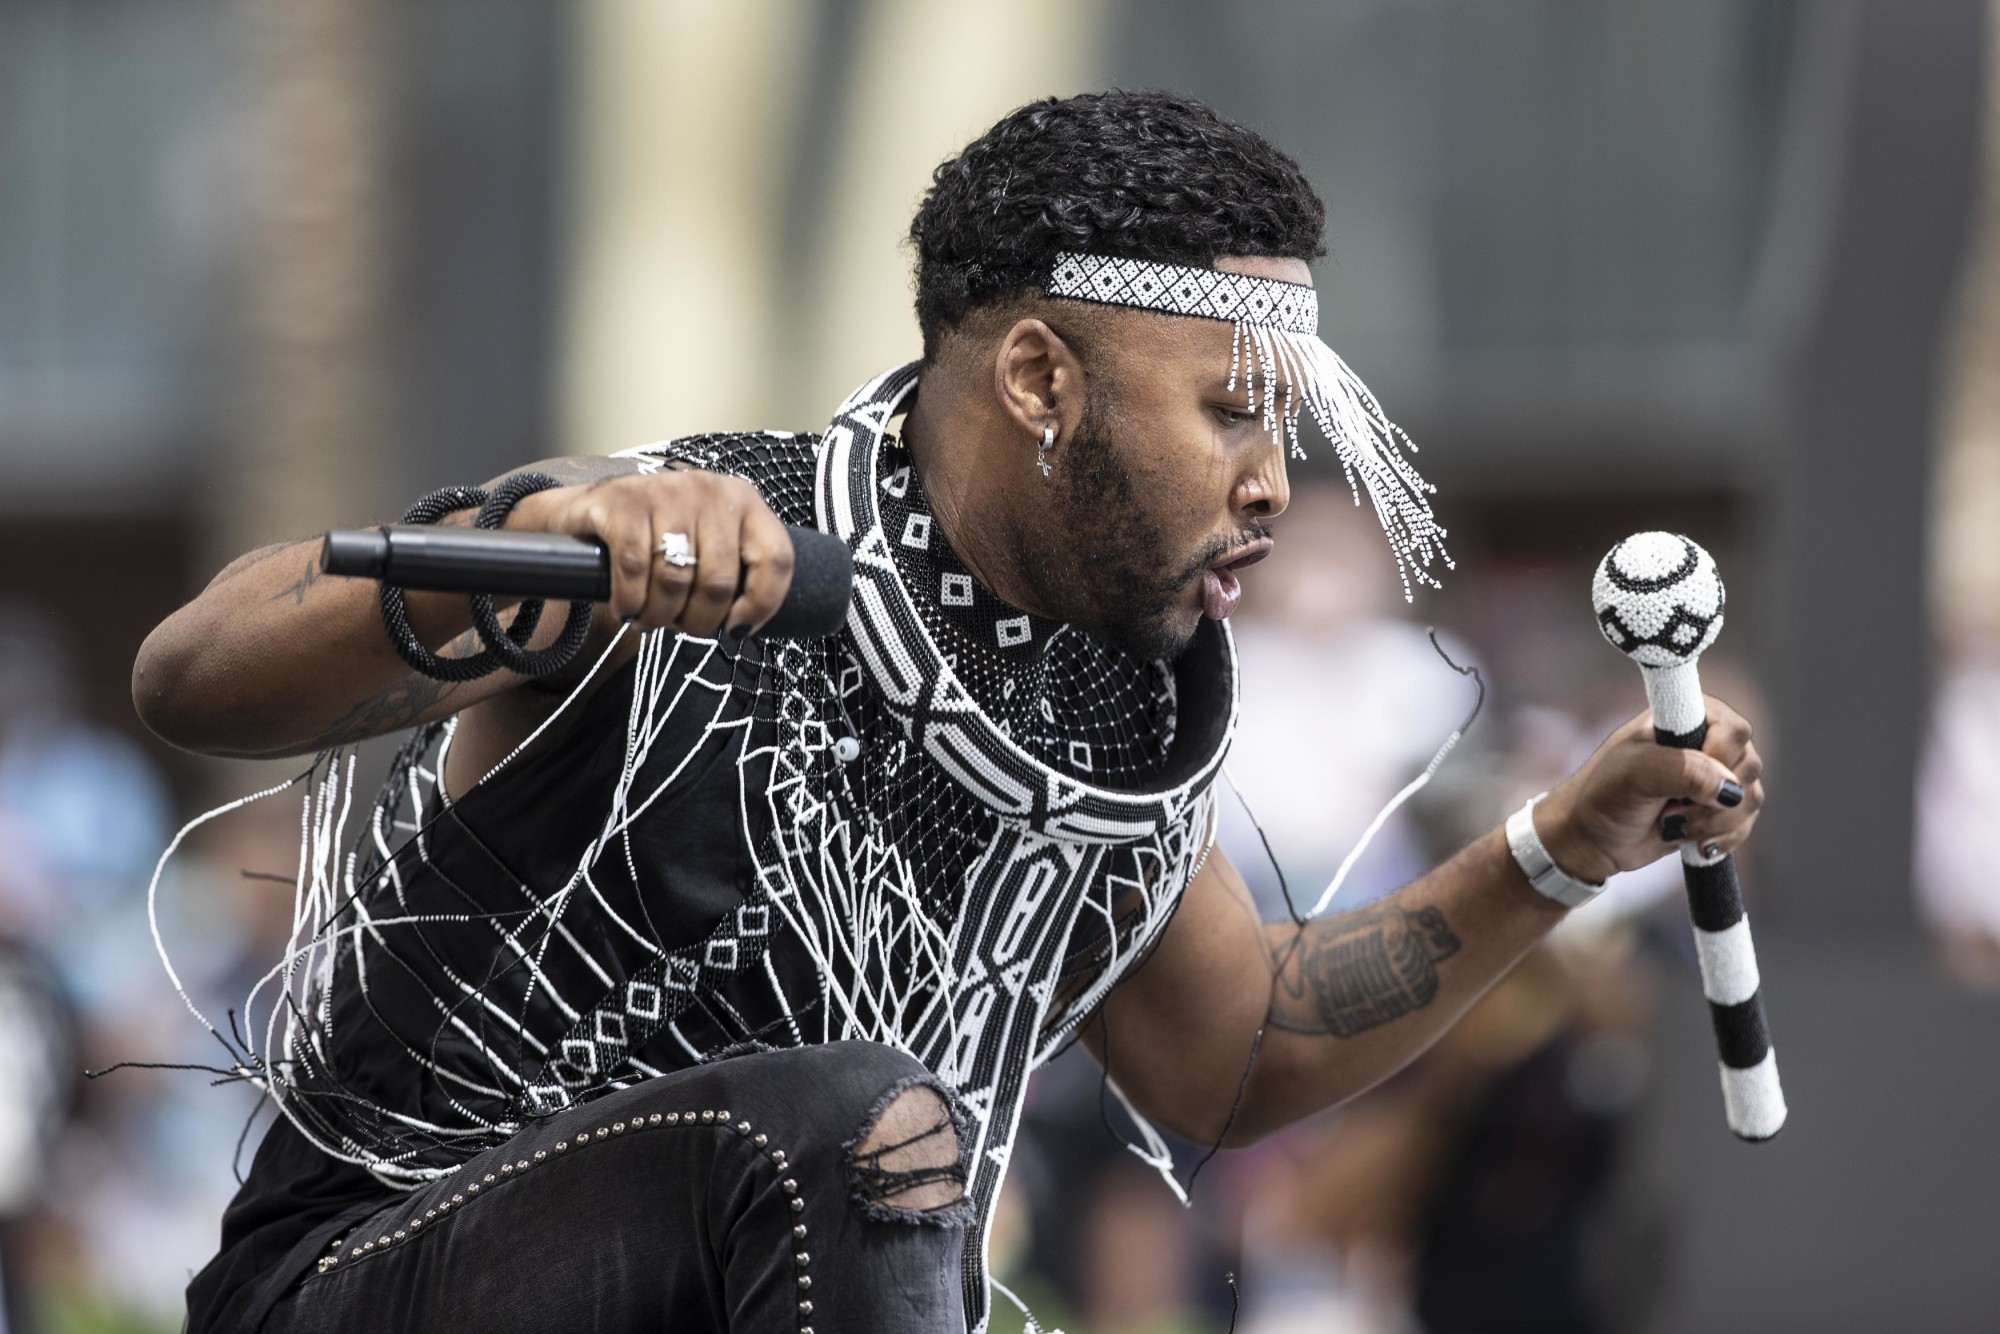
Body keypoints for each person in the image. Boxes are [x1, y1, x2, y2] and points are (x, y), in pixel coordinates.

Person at [132, 91, 1764, 1334]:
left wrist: (1561, 843)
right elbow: (194, 671)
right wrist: (538, 553)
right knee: (865, 1124)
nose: (1274, 479)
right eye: (1229, 412)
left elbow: (1235, 1048)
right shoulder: (688, 531)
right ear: (1043, 379)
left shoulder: (1105, 712)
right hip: (365, 1280)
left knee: (866, 1135)